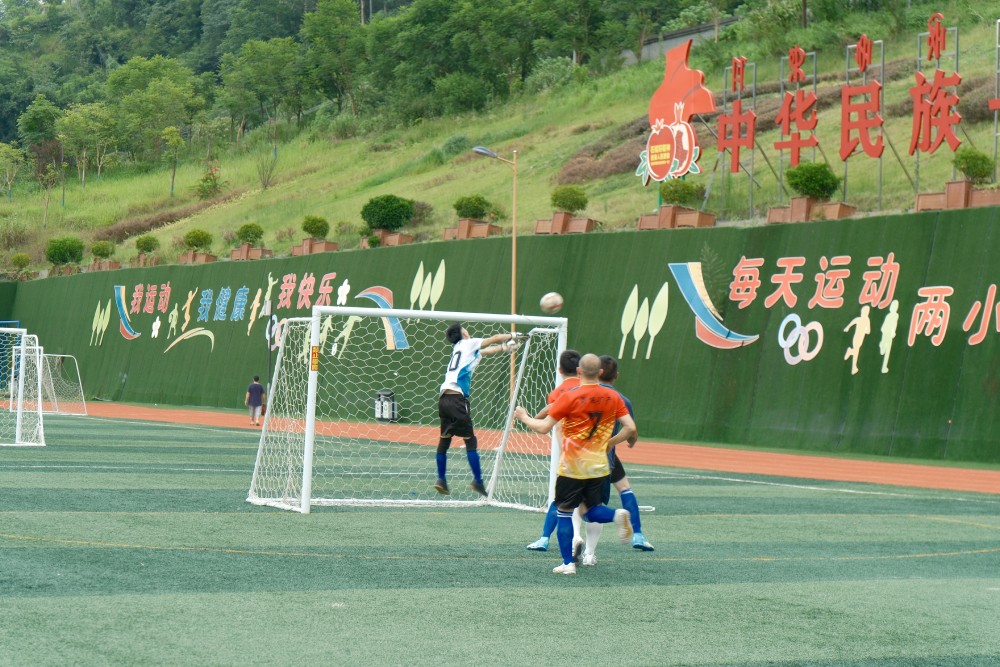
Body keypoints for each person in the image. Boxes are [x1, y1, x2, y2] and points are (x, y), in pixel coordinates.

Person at [514, 354, 636, 575]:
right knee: (591, 511)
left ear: (579, 371)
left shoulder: (570, 396)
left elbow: (543, 427)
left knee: (564, 512)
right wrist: (610, 443)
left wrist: (523, 417)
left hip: (572, 466)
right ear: (600, 372)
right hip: (599, 466)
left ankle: (568, 563)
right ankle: (617, 515)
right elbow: (630, 428)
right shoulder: (613, 396)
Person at [578, 355, 654, 566]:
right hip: (606, 457)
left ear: (597, 372)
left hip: (581, 458)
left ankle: (567, 540)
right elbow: (632, 431)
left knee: (577, 506)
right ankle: (637, 535)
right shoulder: (622, 400)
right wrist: (622, 442)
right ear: (616, 376)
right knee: (623, 489)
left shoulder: (580, 393)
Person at [435, 322, 519, 496]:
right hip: (457, 399)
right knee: (470, 441)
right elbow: (493, 339)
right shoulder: (468, 343)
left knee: (444, 441)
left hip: (443, 399)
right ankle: (478, 481)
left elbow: (485, 352)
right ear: (463, 333)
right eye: (464, 328)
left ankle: (441, 480)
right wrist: (514, 335)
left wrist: (505, 348)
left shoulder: (459, 348)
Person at [525, 349, 583, 553]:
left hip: (569, 452)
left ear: (559, 370)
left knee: (561, 498)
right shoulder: (589, 388)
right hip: (594, 454)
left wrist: (530, 418)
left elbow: (552, 411)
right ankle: (619, 520)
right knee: (589, 505)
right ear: (580, 369)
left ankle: (549, 539)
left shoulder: (558, 392)